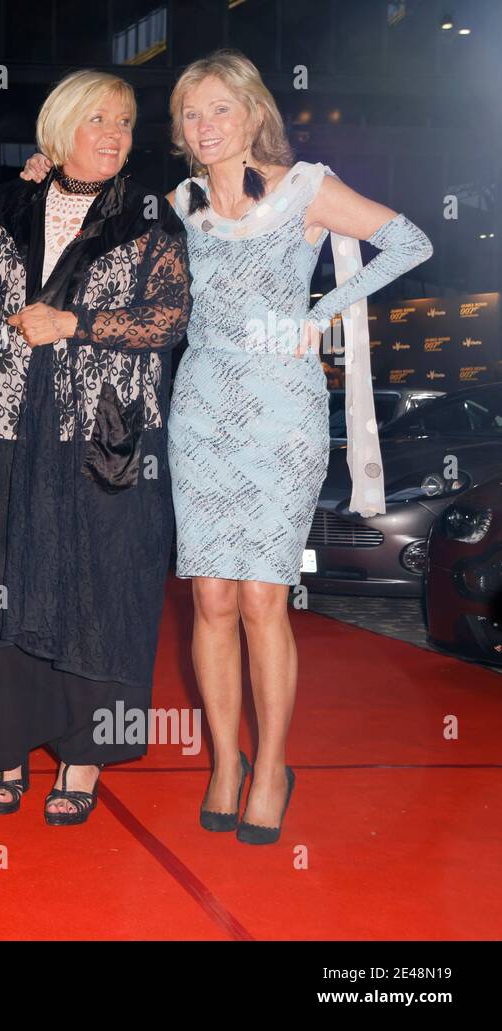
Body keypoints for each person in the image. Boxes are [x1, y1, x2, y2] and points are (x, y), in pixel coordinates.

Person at [0, 70, 191, 823]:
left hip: (104, 443)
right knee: (7, 585)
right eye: (97, 118)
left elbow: (169, 317)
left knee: (100, 591)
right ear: (57, 130)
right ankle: (10, 751)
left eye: (124, 120)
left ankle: (84, 760)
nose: (115, 133)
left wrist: (75, 323)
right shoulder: (5, 206)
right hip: (10, 436)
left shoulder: (147, 218)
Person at [162, 50, 431, 844]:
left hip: (281, 410)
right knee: (208, 597)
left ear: (251, 113)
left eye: (219, 108)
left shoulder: (304, 186)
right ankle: (224, 761)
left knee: (261, 597)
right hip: (201, 405)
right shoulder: (180, 201)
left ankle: (272, 763)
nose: (205, 125)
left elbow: (409, 240)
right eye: (190, 112)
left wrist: (322, 314)